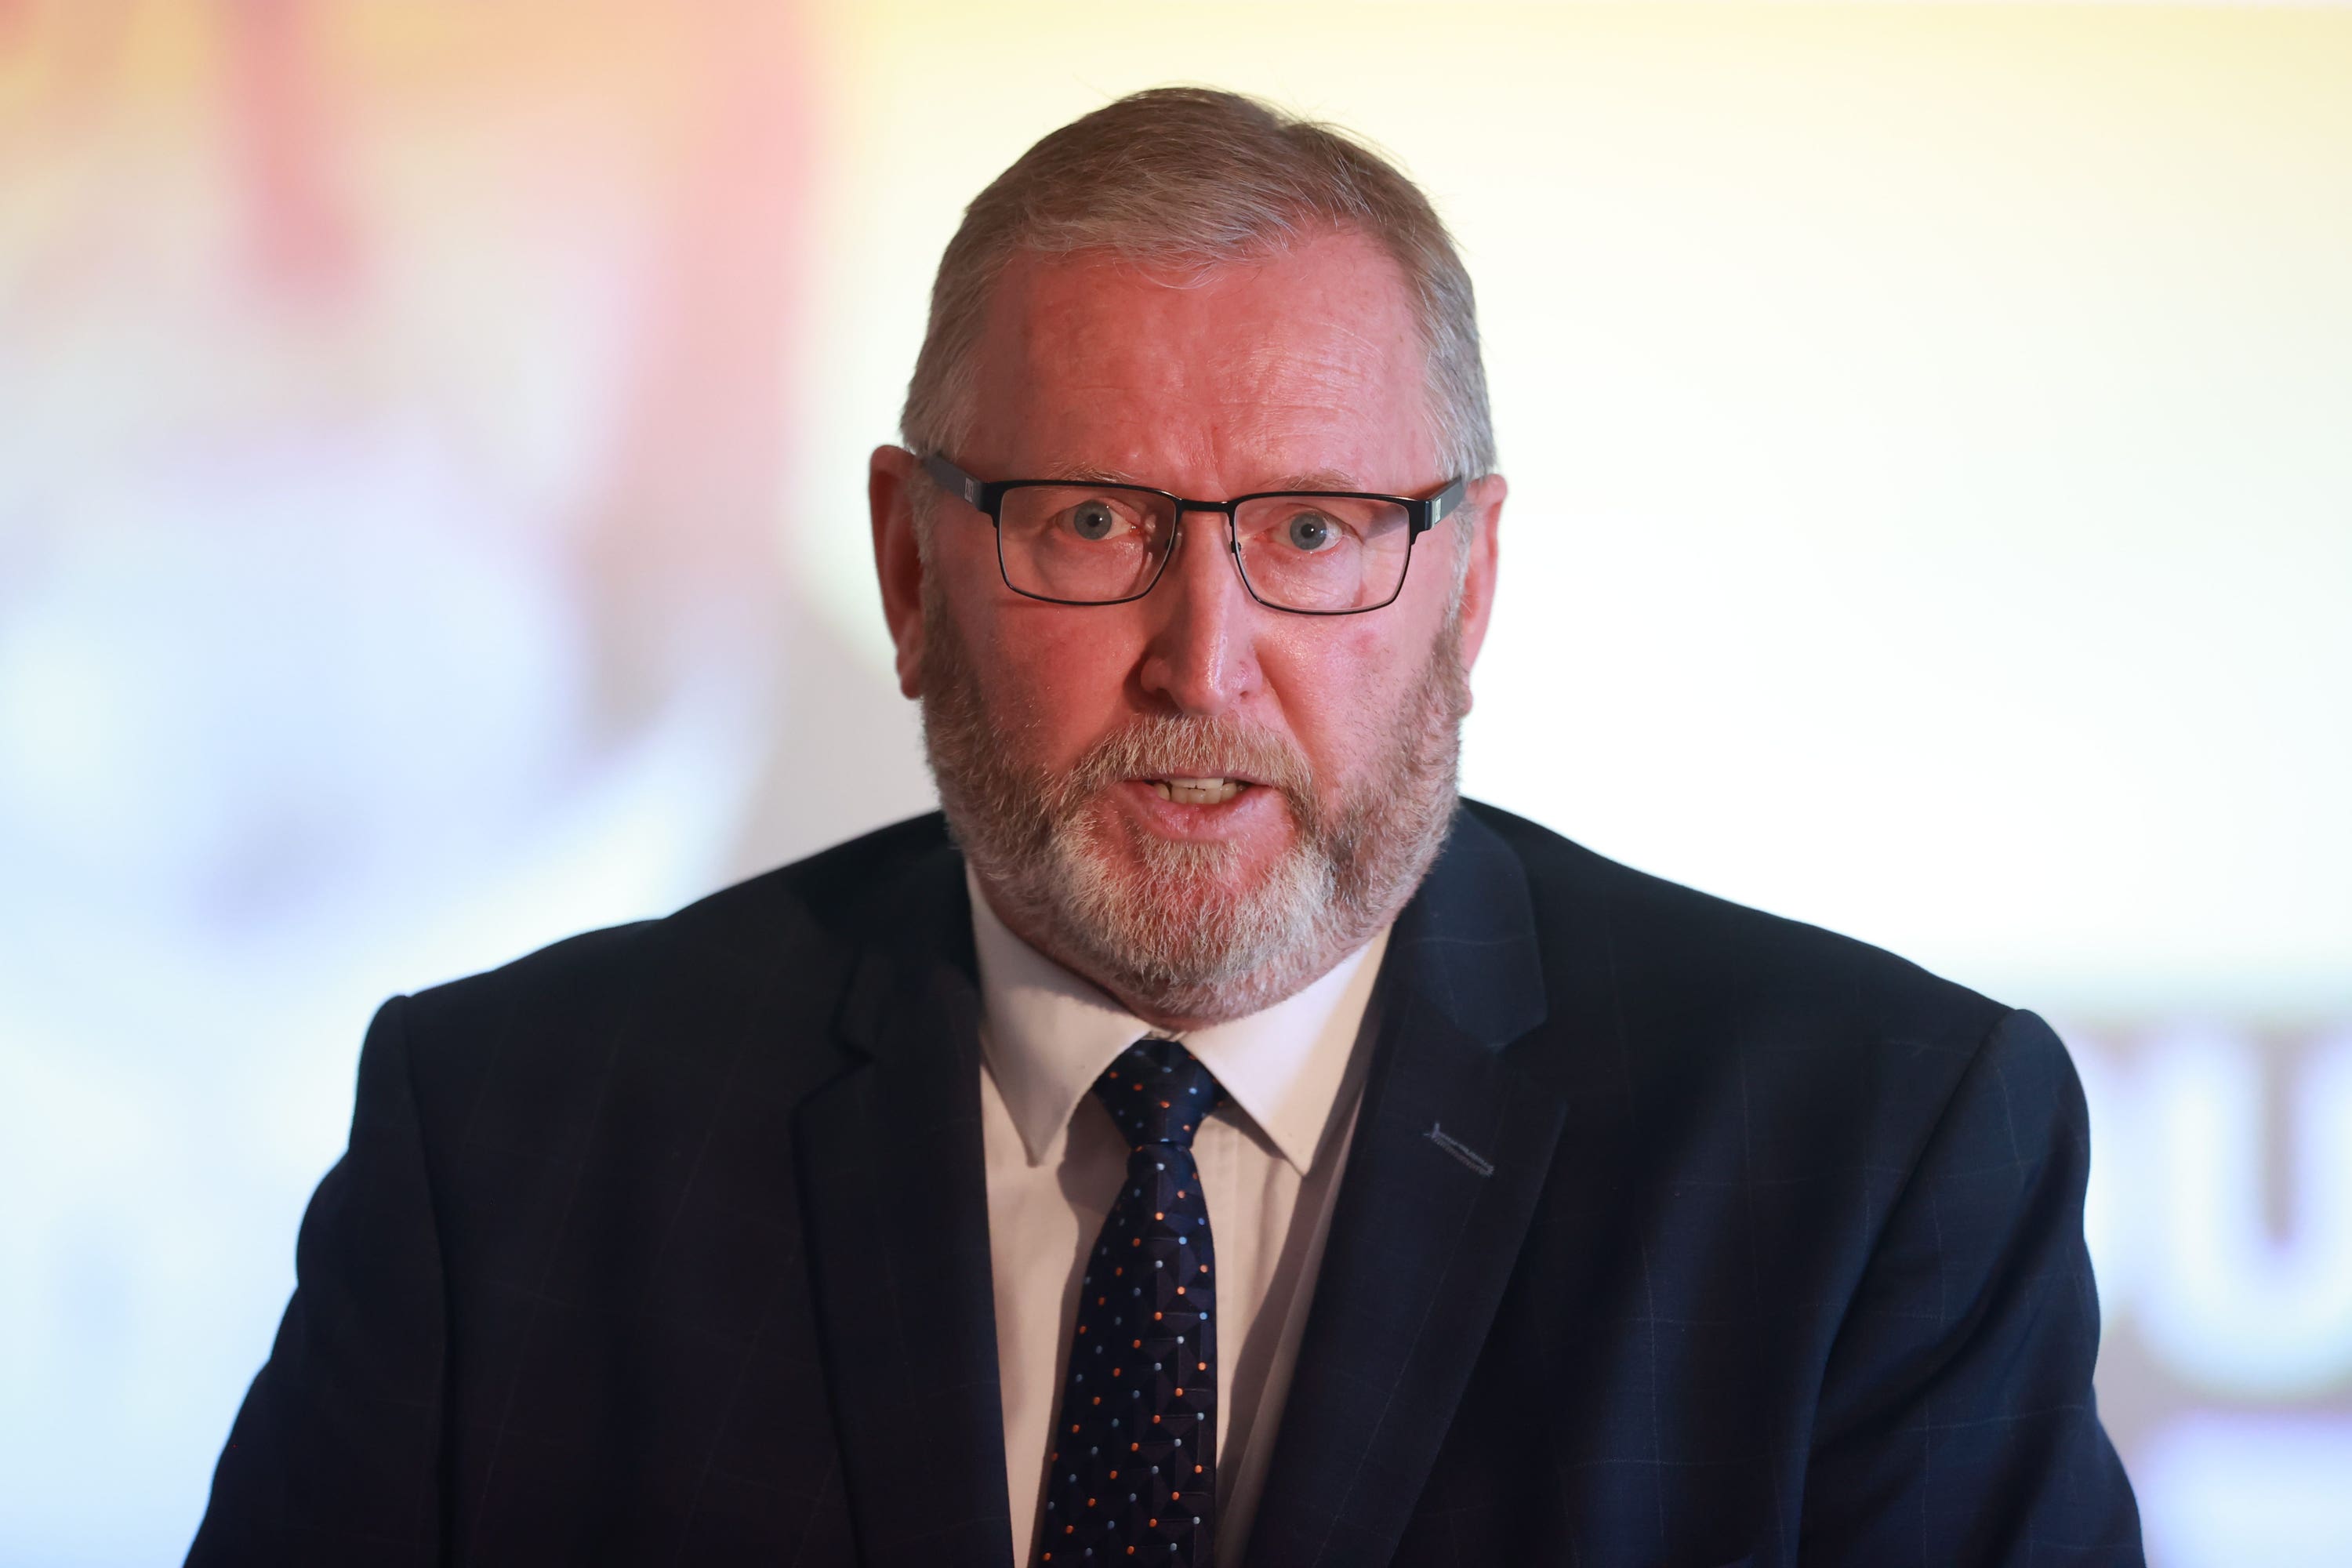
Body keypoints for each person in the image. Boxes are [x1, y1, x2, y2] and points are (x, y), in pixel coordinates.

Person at [189, 88, 2143, 1567]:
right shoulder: (513, 1136)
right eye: (1093, 525)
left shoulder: (1870, 1152)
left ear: (1465, 594)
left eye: (1312, 531)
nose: (1200, 665)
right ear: (905, 566)